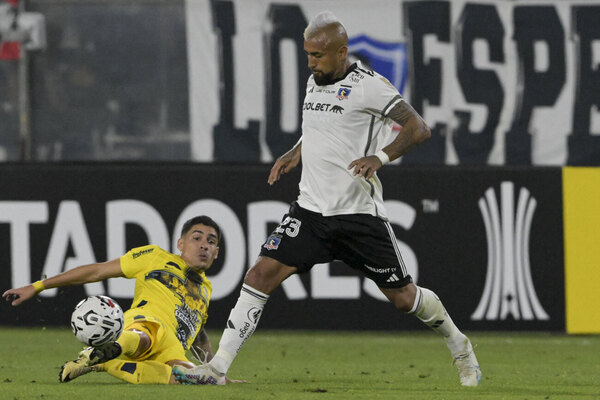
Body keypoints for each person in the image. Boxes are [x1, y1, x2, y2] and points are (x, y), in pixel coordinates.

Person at [172, 11, 481, 387]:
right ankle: (217, 368)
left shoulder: (370, 86)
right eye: (307, 54)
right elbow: (320, 126)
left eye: (318, 55)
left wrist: (379, 157)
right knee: (260, 274)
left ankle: (460, 345)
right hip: (311, 212)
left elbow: (419, 128)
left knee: (403, 298)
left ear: (341, 51)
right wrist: (295, 151)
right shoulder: (314, 80)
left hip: (357, 215)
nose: (310, 62)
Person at [2, 215, 235, 385]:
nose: (204, 244)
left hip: (172, 348)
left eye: (211, 242)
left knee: (205, 380)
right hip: (146, 323)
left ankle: (103, 361)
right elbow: (96, 271)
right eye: (197, 238)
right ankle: (112, 348)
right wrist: (38, 286)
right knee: (145, 336)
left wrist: (216, 370)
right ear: (180, 244)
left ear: (217, 252)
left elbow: (198, 333)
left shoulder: (205, 288)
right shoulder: (155, 257)